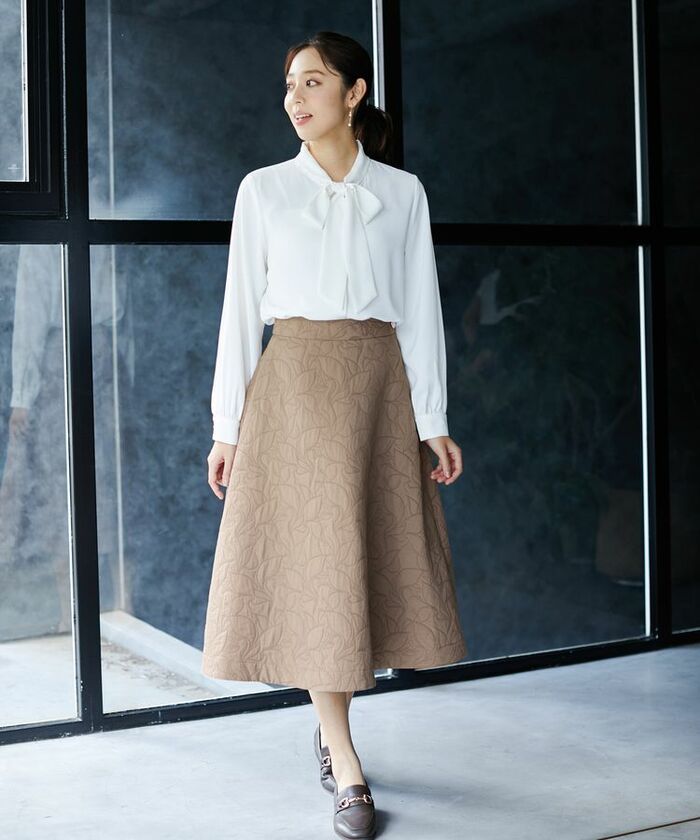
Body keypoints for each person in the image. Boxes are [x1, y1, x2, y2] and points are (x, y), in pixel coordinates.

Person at [201, 30, 468, 839]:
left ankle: (329, 734)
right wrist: (226, 427)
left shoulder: (403, 193)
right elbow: (239, 313)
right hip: (293, 391)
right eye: (290, 85)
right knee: (317, 570)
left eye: (313, 82)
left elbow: (420, 310)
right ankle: (345, 761)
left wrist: (433, 419)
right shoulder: (263, 191)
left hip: (379, 389)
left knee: (357, 568)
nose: (296, 98)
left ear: (354, 93)